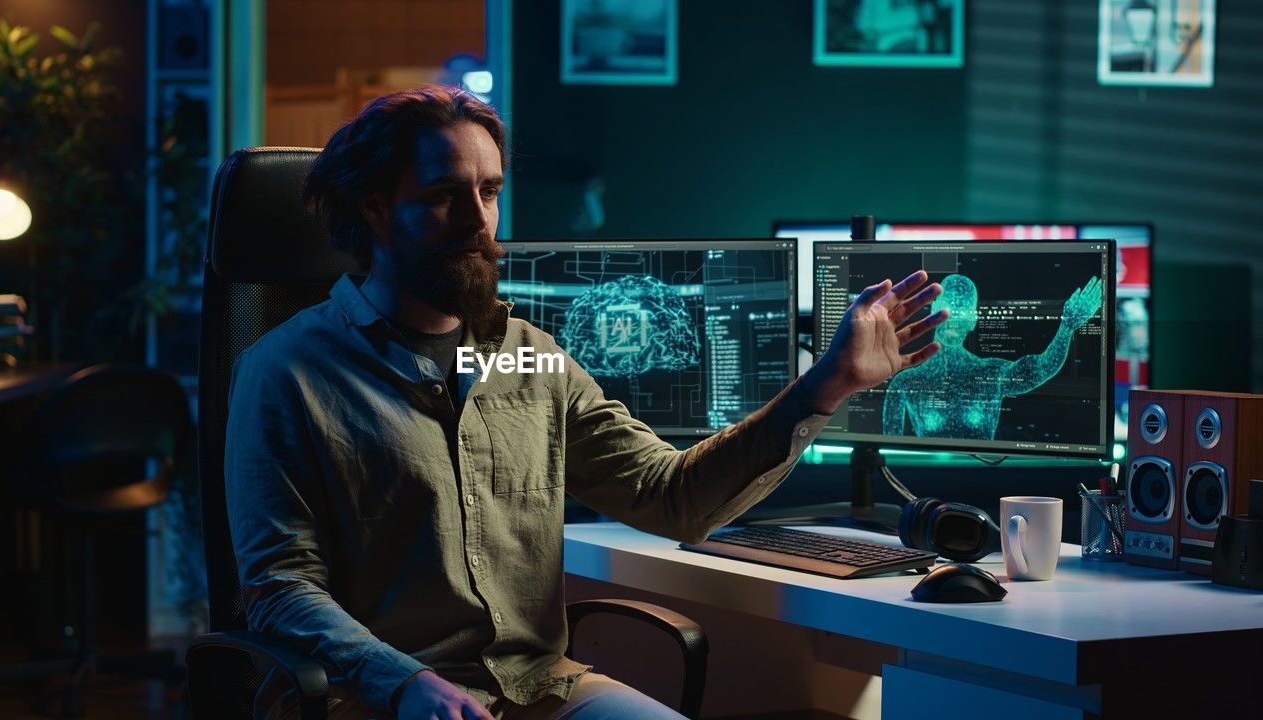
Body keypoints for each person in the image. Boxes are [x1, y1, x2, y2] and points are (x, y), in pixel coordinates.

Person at [224, 84, 947, 720]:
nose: (479, 221)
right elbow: (280, 588)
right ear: (376, 210)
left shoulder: (528, 353)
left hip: (539, 688)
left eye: (490, 191)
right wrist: (401, 679)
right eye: (445, 195)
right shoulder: (287, 371)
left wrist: (828, 384)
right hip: (379, 699)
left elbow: (675, 498)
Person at [882, 273, 1102, 440]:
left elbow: (1042, 367)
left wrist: (1067, 326)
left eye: (962, 311)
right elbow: (889, 454)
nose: (954, 319)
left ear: (973, 321)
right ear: (933, 311)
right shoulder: (905, 383)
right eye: (949, 308)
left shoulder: (991, 373)